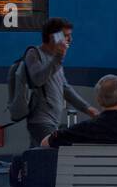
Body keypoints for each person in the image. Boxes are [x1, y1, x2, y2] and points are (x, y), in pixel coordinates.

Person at [21, 18, 98, 149]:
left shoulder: (54, 59)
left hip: (52, 121)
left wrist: (87, 108)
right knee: (52, 154)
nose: (70, 40)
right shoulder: (34, 54)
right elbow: (38, 79)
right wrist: (58, 58)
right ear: (53, 37)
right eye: (66, 36)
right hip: (40, 121)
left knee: (37, 158)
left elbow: (65, 88)